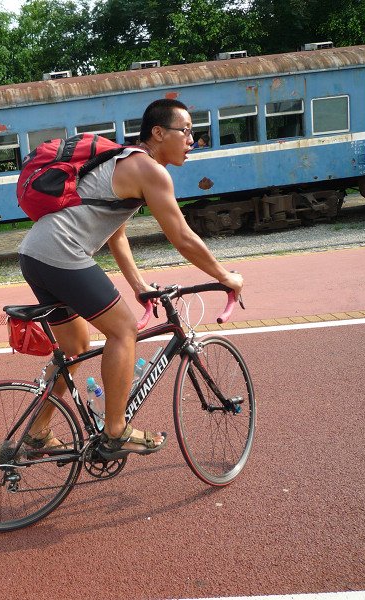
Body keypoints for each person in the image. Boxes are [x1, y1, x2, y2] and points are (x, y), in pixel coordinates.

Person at [17, 98, 244, 459]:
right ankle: (116, 429)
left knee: (74, 348)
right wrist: (224, 275)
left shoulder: (124, 163)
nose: (192, 140)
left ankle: (38, 432)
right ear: (158, 132)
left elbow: (116, 234)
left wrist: (138, 286)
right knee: (123, 331)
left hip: (35, 254)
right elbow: (182, 237)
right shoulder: (149, 170)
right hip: (61, 253)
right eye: (185, 131)